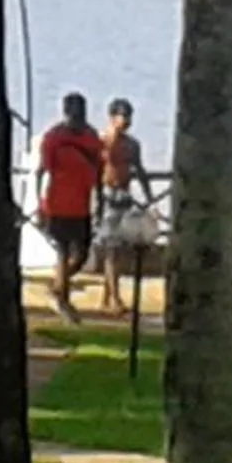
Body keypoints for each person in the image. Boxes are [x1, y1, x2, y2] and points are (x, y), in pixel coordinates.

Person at [34, 91, 105, 322]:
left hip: (82, 205)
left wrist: (100, 202)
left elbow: (99, 171)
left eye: (81, 111)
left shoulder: (92, 137)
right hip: (57, 204)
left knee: (82, 255)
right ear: (65, 112)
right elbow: (42, 171)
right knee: (63, 252)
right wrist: (39, 204)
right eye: (73, 111)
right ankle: (63, 300)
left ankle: (57, 287)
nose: (78, 116)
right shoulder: (53, 137)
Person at [97, 98, 151, 312]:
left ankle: (106, 296)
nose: (127, 121)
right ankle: (115, 299)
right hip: (106, 196)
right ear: (112, 117)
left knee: (118, 249)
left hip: (125, 196)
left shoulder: (132, 144)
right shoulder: (101, 142)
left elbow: (139, 170)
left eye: (129, 116)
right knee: (111, 249)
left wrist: (149, 197)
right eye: (123, 116)